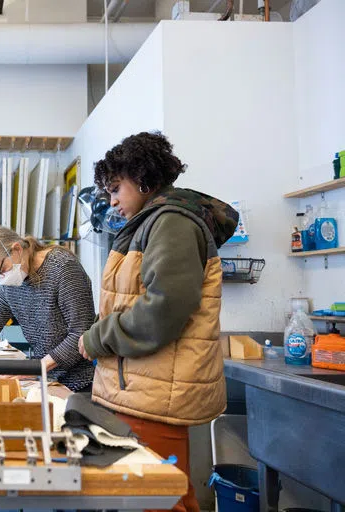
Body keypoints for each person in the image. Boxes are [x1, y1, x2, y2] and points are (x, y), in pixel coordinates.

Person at [77, 131, 239, 512]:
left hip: (153, 392)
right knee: (170, 498)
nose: (112, 202)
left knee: (155, 501)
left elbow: (162, 309)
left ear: (143, 179)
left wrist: (98, 337)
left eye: (116, 189)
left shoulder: (171, 223)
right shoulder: (153, 222)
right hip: (145, 389)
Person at [0, 226, 96, 392]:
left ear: (16, 249)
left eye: (1, 270)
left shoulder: (63, 267)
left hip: (77, 383)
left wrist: (35, 368)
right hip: (44, 378)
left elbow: (80, 334)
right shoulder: (15, 278)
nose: (1, 279)